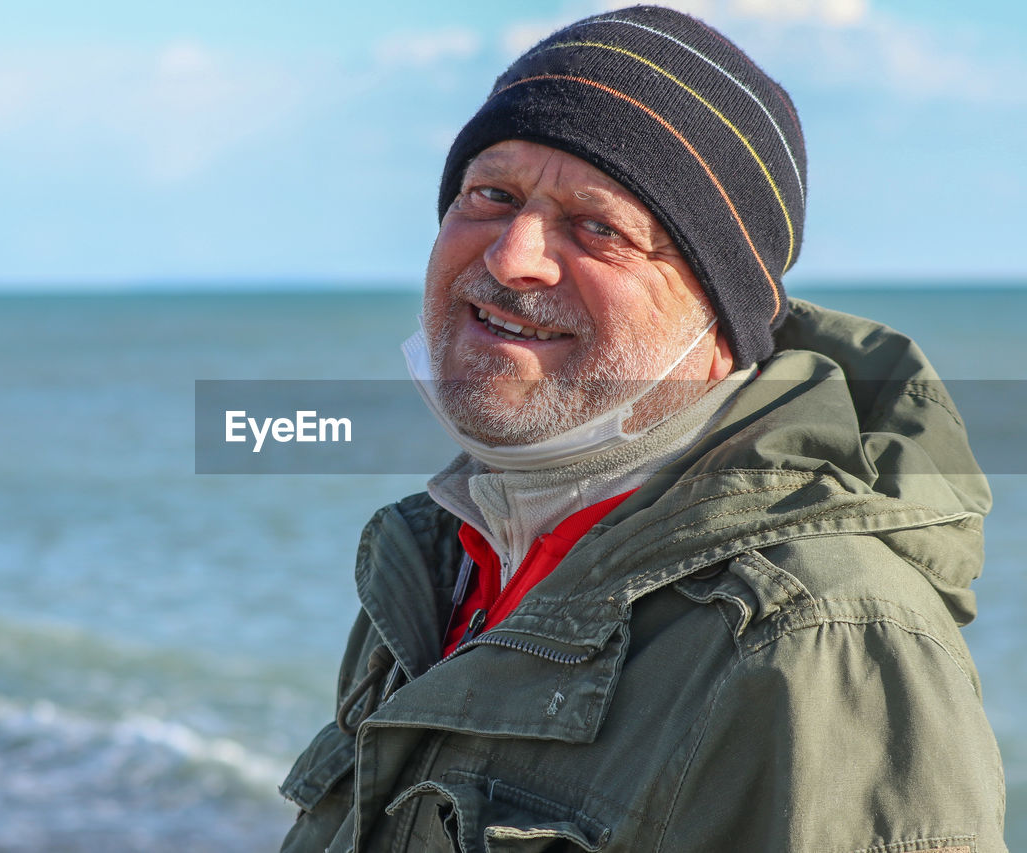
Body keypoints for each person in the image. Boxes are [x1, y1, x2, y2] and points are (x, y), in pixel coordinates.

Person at [280, 6, 1006, 852]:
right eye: (492, 195)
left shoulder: (818, 639)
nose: (513, 254)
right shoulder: (442, 555)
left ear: (720, 329)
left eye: (598, 227)